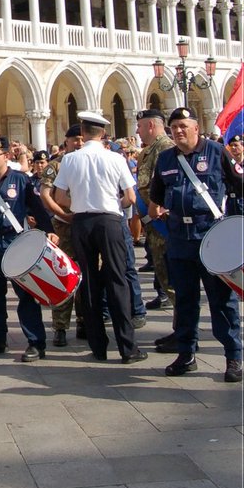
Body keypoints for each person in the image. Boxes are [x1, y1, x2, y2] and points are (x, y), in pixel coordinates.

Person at [149, 107, 244, 381]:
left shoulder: (216, 152)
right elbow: (157, 197)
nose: (178, 131)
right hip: (179, 242)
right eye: (174, 127)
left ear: (196, 128)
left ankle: (233, 357)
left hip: (212, 239)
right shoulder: (165, 159)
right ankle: (186, 354)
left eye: (184, 126)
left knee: (222, 302)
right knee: (185, 301)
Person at [52, 113, 146, 364]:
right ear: (103, 133)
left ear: (82, 131)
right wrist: (114, 203)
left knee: (89, 281)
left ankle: (98, 346)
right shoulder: (115, 157)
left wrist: (81, 204)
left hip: (82, 221)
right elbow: (130, 197)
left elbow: (59, 198)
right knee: (118, 279)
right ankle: (127, 347)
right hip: (110, 220)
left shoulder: (70, 159)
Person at [0, 136, 51, 361]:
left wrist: (48, 230)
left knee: (25, 294)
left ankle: (36, 341)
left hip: (14, 243)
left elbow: (36, 207)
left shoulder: (21, 180)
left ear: (6, 156)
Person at [40, 125, 83, 347]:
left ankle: (86, 321)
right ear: (66, 141)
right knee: (63, 275)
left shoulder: (88, 162)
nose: (79, 143)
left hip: (86, 226)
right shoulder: (55, 165)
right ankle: (60, 327)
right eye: (74, 139)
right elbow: (46, 195)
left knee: (88, 274)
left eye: (82, 139)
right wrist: (63, 216)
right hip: (64, 228)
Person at [135, 110, 174, 316]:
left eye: (140, 126)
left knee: (170, 274)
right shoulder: (150, 150)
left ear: (150, 125)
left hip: (163, 221)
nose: (137, 131)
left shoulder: (165, 147)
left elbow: (167, 183)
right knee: (162, 271)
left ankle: (183, 332)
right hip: (153, 221)